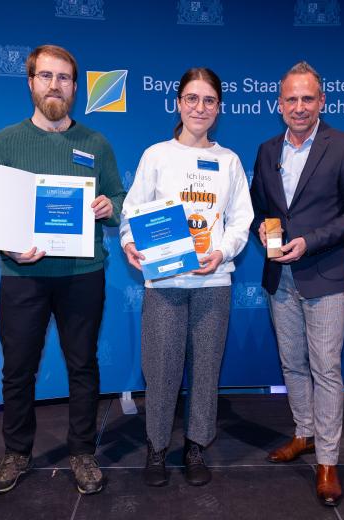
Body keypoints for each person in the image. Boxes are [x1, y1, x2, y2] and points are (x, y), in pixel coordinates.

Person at [0, 45, 125, 496]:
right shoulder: (4, 143)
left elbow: (121, 200)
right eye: (46, 76)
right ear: (30, 83)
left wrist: (109, 206)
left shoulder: (96, 143)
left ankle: (82, 452)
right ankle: (16, 453)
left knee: (82, 365)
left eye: (64, 78)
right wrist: (9, 246)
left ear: (75, 87)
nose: (55, 85)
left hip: (83, 275)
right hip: (22, 278)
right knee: (18, 369)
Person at [250, 61, 344, 506]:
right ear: (278, 104)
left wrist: (310, 242)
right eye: (291, 99)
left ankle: (327, 459)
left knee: (325, 368)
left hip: (324, 275)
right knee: (293, 365)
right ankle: (303, 434)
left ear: (322, 101)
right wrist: (262, 232)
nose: (299, 107)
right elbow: (259, 208)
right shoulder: (267, 151)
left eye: (307, 98)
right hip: (278, 277)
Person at [120, 68, 252, 487]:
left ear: (218, 108)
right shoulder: (156, 155)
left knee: (206, 369)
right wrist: (128, 243)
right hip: (165, 284)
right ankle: (156, 448)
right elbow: (132, 212)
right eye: (192, 99)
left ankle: (195, 445)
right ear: (178, 103)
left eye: (209, 100)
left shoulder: (229, 161)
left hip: (213, 283)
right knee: (160, 369)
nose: (200, 107)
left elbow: (241, 222)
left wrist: (222, 252)